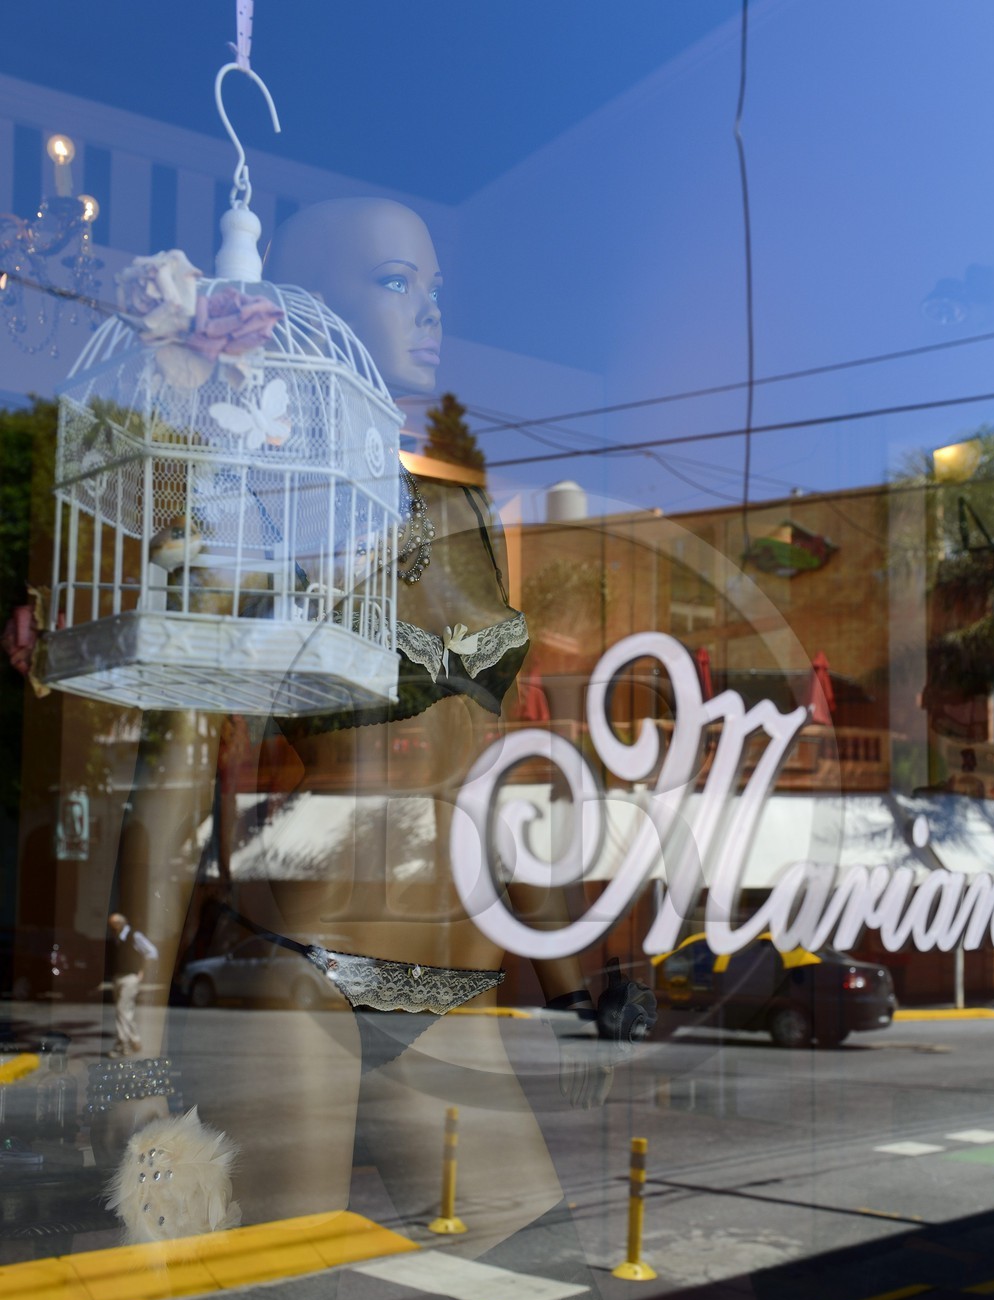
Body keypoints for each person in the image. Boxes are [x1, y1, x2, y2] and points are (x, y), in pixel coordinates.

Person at [104, 198, 653, 1246]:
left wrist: (572, 978)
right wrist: (128, 1055)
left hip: (442, 981)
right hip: (304, 966)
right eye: (398, 284)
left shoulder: (455, 515)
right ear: (312, 306)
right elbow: (171, 786)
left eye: (434, 289)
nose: (432, 312)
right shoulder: (250, 507)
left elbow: (498, 770)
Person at [106, 912, 158, 1058]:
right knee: (125, 1012)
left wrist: (142, 972)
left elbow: (152, 952)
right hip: (118, 977)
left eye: (114, 924)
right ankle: (135, 1039)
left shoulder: (134, 936)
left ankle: (122, 1045)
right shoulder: (116, 938)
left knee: (122, 1009)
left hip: (130, 978)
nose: (112, 928)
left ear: (120, 924)